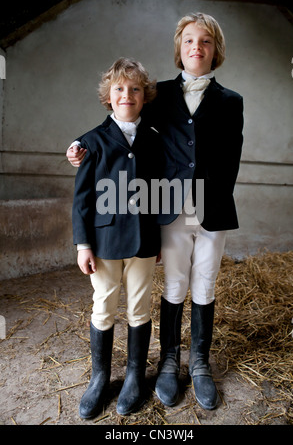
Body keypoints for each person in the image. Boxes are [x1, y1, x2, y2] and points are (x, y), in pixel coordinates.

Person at [67, 13, 244, 411]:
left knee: (205, 283)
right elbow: (119, 120)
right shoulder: (160, 93)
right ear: (179, 50)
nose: (196, 47)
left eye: (205, 42)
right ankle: (166, 362)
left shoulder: (232, 102)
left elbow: (231, 159)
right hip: (170, 209)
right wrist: (80, 144)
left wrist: (214, 200)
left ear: (216, 51)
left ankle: (198, 363)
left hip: (212, 210)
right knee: (175, 284)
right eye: (188, 41)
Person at [72, 57, 162, 419]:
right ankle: (100, 377)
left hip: (143, 241)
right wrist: (83, 244)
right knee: (104, 305)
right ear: (109, 96)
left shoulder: (155, 139)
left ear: (144, 96)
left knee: (139, 306)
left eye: (135, 89)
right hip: (105, 242)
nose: (127, 95)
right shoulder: (91, 142)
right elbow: (82, 199)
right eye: (120, 89)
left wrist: (160, 240)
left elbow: (160, 191)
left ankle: (135, 377)